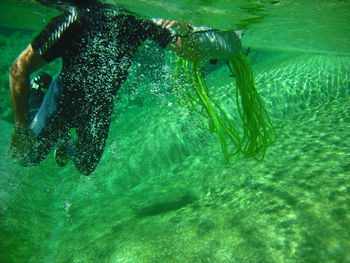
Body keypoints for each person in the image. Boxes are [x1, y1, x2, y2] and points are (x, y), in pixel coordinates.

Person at [9, 0, 244, 175]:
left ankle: (64, 144)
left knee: (86, 165)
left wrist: (183, 29)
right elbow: (19, 69)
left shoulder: (139, 20)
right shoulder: (76, 18)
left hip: (101, 104)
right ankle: (39, 92)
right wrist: (21, 128)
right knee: (28, 157)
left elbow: (189, 53)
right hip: (63, 99)